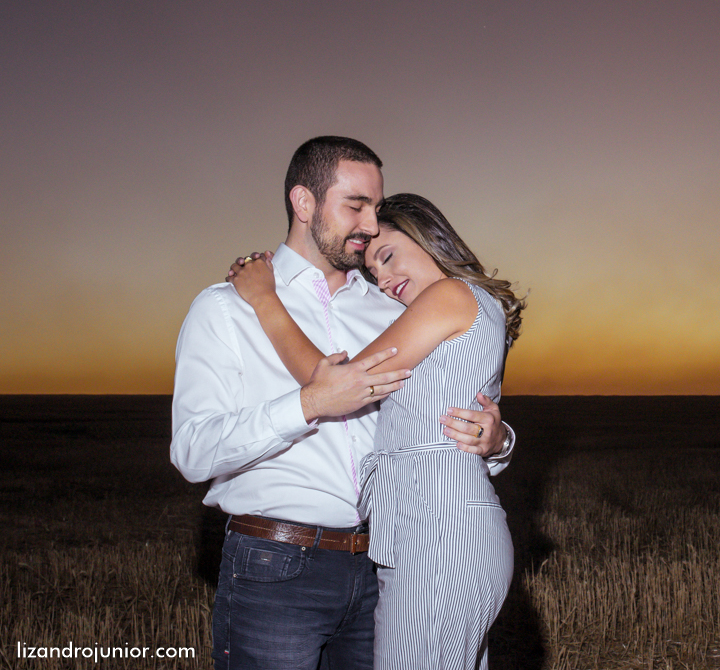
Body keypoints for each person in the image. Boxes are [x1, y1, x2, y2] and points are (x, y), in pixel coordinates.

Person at [170, 137, 514, 670]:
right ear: (303, 202)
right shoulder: (225, 308)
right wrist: (305, 405)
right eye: (356, 205)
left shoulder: (397, 307)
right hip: (276, 564)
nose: (370, 224)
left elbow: (441, 403)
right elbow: (192, 452)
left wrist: (498, 440)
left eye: (376, 209)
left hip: (385, 559)